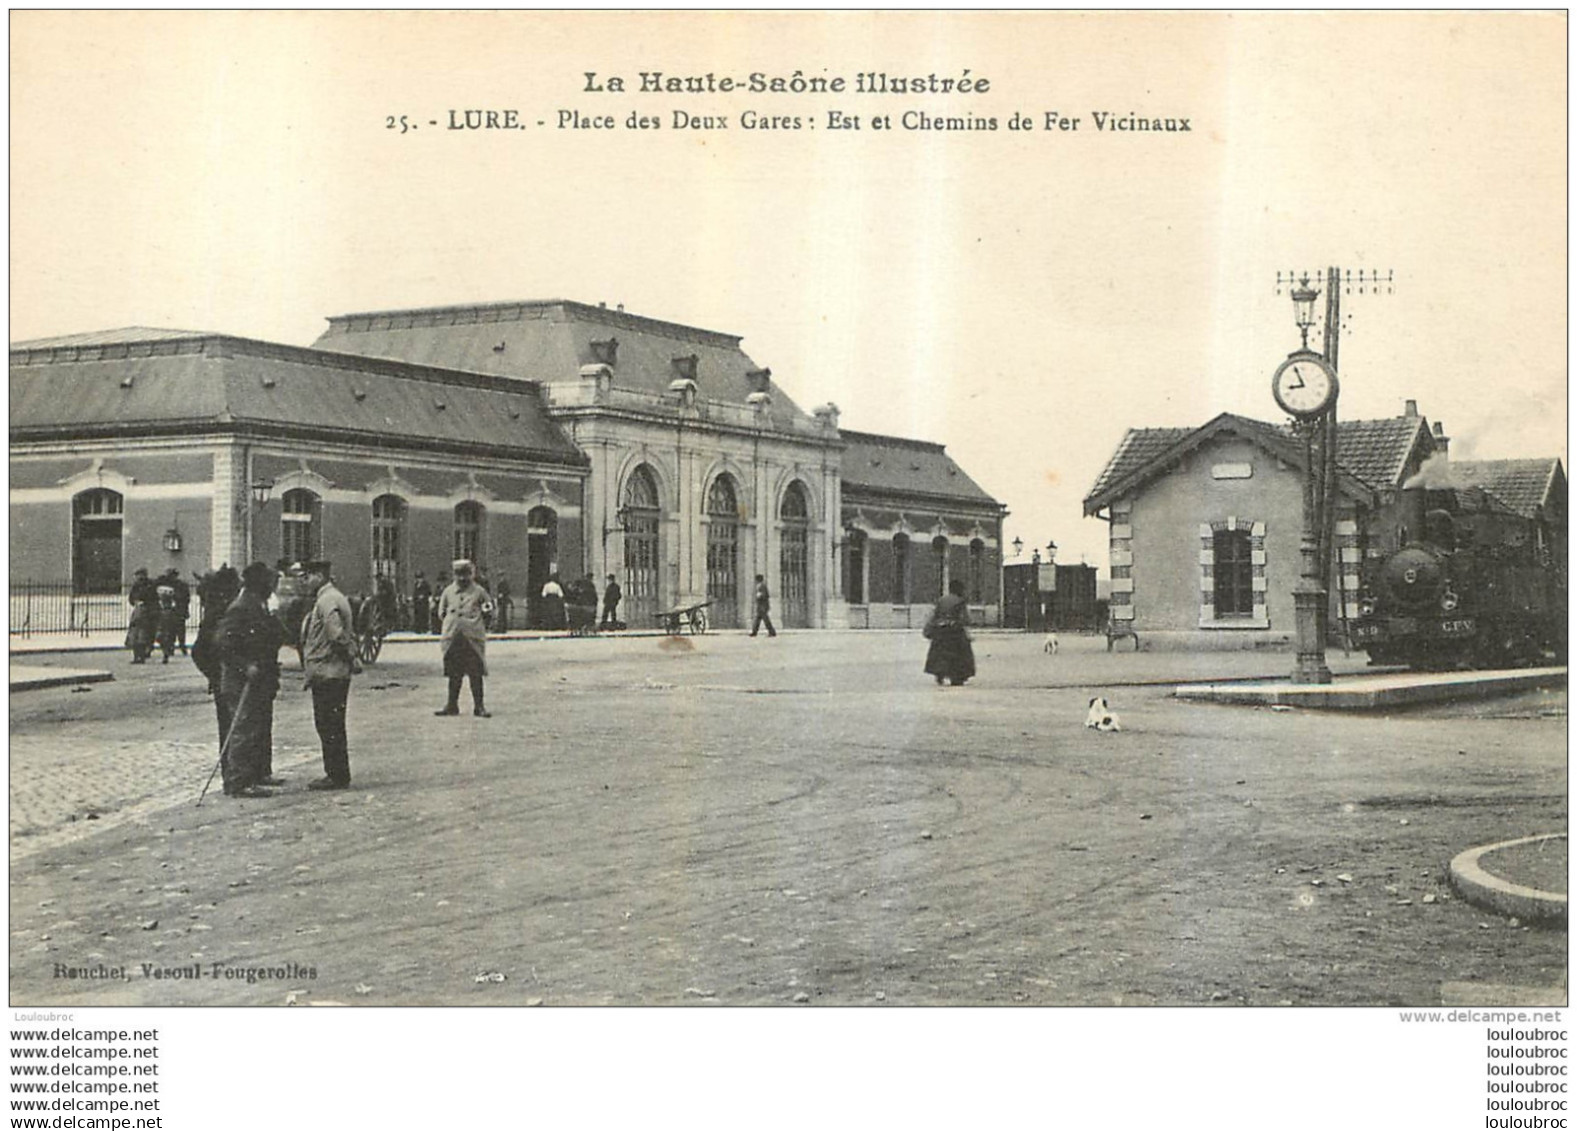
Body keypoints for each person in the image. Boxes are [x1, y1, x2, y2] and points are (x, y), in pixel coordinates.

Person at [217, 562, 285, 797]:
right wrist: (245, 665)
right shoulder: (240, 607)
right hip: (240, 682)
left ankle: (253, 776)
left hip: (257, 680)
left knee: (254, 729)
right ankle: (238, 782)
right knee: (243, 730)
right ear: (258, 585)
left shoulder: (258, 605)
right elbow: (224, 645)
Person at [299, 561, 356, 791]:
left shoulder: (326, 600)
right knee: (332, 724)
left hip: (329, 672)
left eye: (308, 576)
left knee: (328, 724)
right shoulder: (333, 597)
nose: (305, 581)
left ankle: (336, 775)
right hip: (332, 672)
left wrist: (351, 655)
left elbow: (336, 635)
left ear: (319, 575)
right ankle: (337, 772)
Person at [435, 560, 494, 717]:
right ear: (454, 575)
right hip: (453, 637)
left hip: (472, 639)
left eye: (465, 575)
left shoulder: (480, 592)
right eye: (459, 575)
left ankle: (479, 706)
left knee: (476, 673)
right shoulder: (448, 592)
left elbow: (489, 612)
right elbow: (441, 613)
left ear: (471, 574)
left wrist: (477, 627)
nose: (462, 579)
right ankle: (451, 705)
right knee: (454, 673)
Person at [191, 565, 240, 744]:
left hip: (229, 681)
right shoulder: (221, 614)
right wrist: (217, 676)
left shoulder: (223, 612)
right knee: (232, 729)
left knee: (231, 728)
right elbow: (199, 651)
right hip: (230, 681)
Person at [923, 579, 977, 687]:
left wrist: (930, 628)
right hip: (955, 631)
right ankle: (957, 676)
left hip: (941, 630)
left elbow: (934, 615)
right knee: (960, 655)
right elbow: (965, 619)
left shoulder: (941, 600)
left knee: (940, 654)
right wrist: (968, 631)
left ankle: (940, 673)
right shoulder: (960, 601)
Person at [125, 567, 158, 663]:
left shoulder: (150, 585)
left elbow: (153, 598)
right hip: (139, 612)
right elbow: (131, 598)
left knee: (142, 636)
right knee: (136, 636)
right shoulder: (136, 586)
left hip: (147, 612)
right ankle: (137, 657)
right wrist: (135, 602)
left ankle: (141, 656)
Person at [154, 569, 184, 663]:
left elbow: (182, 599)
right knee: (161, 635)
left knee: (169, 634)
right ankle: (167, 650)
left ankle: (167, 652)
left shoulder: (178, 586)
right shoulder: (162, 585)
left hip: (171, 614)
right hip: (162, 614)